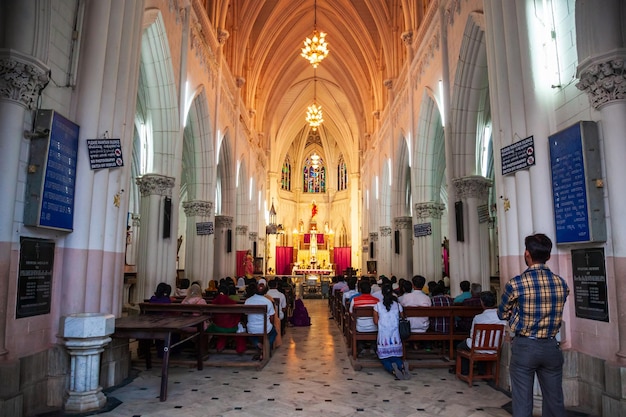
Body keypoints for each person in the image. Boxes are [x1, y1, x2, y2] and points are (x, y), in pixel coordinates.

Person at [498, 233, 569, 417]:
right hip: (551, 346)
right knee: (555, 402)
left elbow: (502, 313)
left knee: (522, 401)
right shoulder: (561, 284)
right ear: (548, 256)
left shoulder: (516, 284)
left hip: (525, 346)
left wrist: (516, 319)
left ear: (527, 254)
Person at [456, 291, 507, 375]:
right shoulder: (502, 317)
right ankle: (482, 371)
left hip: (478, 348)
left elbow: (473, 335)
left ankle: (465, 372)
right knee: (480, 344)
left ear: (482, 303)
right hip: (495, 348)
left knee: (461, 346)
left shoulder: (478, 318)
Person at [373, 284, 410, 380]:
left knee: (384, 358)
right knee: (395, 356)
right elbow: (402, 317)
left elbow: (376, 321)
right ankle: (401, 366)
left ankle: (392, 370)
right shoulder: (398, 305)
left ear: (382, 293)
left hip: (383, 336)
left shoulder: (377, 306)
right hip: (395, 336)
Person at [207, 284, 247, 354]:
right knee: (239, 328)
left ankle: (216, 346)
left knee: (210, 328)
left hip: (217, 327)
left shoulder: (214, 302)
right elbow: (237, 315)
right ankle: (240, 348)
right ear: (228, 293)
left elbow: (211, 315)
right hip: (231, 327)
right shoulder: (232, 302)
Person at [244, 282, 277, 361]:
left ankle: (258, 344)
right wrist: (272, 325)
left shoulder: (248, 301)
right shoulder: (268, 302)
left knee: (251, 332)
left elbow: (245, 314)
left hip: (252, 327)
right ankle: (266, 347)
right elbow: (272, 318)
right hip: (265, 327)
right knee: (274, 332)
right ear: (266, 292)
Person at [349, 279, 379, 356]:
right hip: (375, 327)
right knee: (374, 327)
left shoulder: (355, 300)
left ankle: (361, 347)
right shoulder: (377, 301)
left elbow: (351, 312)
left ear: (360, 290)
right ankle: (373, 347)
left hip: (360, 327)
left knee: (358, 324)